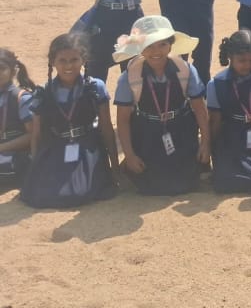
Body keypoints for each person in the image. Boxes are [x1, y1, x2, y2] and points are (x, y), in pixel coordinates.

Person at [113, 16, 209, 196]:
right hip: (147, 133)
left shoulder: (185, 70)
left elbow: (200, 109)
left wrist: (205, 143)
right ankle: (127, 166)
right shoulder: (129, 76)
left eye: (162, 44)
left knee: (187, 183)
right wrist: (130, 155)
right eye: (149, 46)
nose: (156, 51)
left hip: (181, 130)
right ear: (139, 48)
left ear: (171, 45)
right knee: (151, 185)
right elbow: (123, 119)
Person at [20, 34, 118, 208]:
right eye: (62, 61)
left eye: (74, 60)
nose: (68, 66)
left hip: (88, 146)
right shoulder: (43, 92)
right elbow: (37, 133)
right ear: (52, 61)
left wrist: (115, 167)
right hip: (57, 147)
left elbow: (106, 127)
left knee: (82, 191)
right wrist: (35, 167)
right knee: (47, 193)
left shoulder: (95, 87)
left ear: (83, 60)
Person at [206, 31, 251, 194]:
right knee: (223, 179)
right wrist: (213, 150)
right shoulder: (217, 83)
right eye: (242, 61)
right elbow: (215, 121)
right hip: (235, 136)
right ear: (230, 57)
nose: (248, 65)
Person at [0, 48, 35, 190]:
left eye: (1, 68)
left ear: (13, 72)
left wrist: (2, 147)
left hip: (14, 154)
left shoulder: (21, 98)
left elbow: (33, 135)